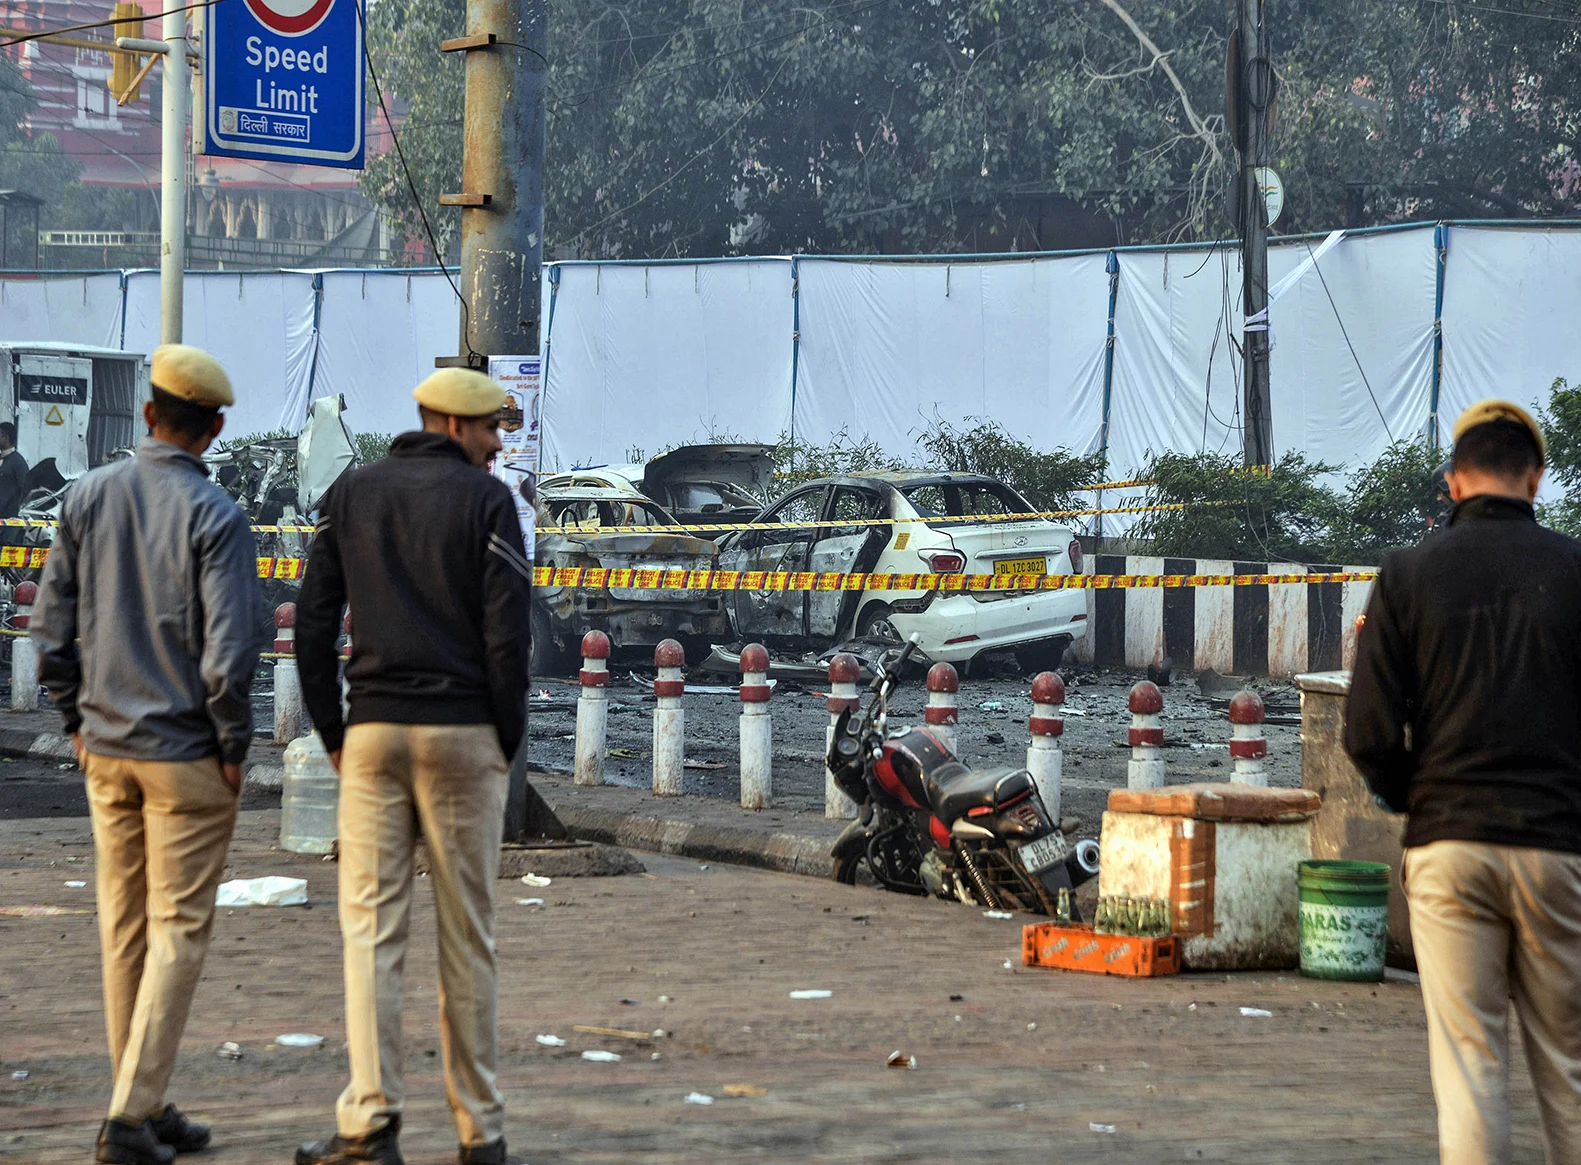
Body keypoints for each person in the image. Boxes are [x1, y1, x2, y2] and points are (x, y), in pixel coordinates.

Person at [31, 344, 264, 1165]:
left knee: (124, 927)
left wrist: (73, 718)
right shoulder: (217, 515)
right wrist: (234, 745)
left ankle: (146, 1096)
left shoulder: (88, 496)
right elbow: (231, 654)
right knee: (177, 930)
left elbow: (49, 632)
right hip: (186, 754)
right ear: (216, 428)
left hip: (105, 747)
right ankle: (129, 1117)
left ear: (148, 415)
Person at [294, 368, 531, 1165]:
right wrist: (503, 733)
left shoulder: (352, 492)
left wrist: (333, 725)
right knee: (469, 935)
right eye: (491, 429)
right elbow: (508, 634)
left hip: (372, 733)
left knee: (368, 932)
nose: (499, 444)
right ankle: (480, 1132)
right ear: (452, 424)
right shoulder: (487, 504)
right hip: (460, 733)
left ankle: (368, 1123)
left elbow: (313, 617)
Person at [1345, 399, 1581, 1165]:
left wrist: (1424, 798)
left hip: (1447, 847)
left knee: (1471, 1066)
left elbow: (1367, 733)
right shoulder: (1574, 569)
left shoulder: (1407, 573)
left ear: (1452, 483)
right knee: (1570, 1068)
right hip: (1558, 850)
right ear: (1535, 479)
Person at [0, 420, 31, 519]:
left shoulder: (18, 462)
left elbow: (26, 488)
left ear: (6, 437)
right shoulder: (2, 459)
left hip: (10, 518)